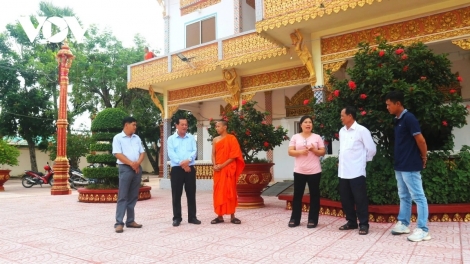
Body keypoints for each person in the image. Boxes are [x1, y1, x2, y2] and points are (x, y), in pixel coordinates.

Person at [385, 90, 431, 242]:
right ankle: (404, 223)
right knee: (403, 195)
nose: (387, 107)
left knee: (418, 196)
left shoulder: (409, 118)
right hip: (400, 164)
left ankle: (423, 229)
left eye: (389, 104)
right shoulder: (397, 120)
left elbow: (421, 140)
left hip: (410, 164)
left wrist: (424, 156)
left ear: (398, 103)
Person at [338, 106, 376, 235]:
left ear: (350, 116)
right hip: (343, 171)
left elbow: (371, 149)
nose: (341, 118)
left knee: (360, 199)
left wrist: (362, 161)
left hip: (357, 171)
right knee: (346, 199)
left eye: (342, 115)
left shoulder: (361, 130)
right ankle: (351, 222)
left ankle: (364, 224)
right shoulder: (342, 131)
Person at [287, 115, 325, 228]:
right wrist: (300, 152)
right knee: (297, 195)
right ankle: (295, 219)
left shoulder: (317, 137)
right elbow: (290, 152)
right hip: (299, 171)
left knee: (314, 195)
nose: (308, 124)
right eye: (306, 122)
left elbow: (322, 152)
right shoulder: (295, 137)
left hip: (314, 171)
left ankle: (313, 220)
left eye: (310, 122)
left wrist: (314, 150)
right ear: (301, 125)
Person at [112, 117, 145, 233]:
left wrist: (137, 164)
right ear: (126, 125)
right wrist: (131, 164)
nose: (135, 127)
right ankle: (119, 223)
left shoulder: (137, 138)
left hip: (137, 169)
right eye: (133, 125)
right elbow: (117, 154)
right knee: (123, 196)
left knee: (133, 196)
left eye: (136, 125)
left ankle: (130, 220)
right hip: (125, 168)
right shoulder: (118, 138)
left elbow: (142, 153)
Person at [167, 118, 201, 227]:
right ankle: (177, 218)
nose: (184, 126)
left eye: (186, 124)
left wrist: (188, 162)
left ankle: (192, 217)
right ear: (176, 125)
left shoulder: (191, 138)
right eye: (182, 124)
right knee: (176, 195)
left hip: (190, 169)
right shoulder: (171, 139)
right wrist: (183, 164)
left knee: (191, 194)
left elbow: (194, 151)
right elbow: (171, 154)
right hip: (177, 169)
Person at [210, 120, 245, 225]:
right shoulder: (215, 139)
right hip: (218, 170)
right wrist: (215, 165)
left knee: (230, 191)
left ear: (225, 127)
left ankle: (232, 216)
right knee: (218, 192)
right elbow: (213, 154)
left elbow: (234, 156)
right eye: (216, 126)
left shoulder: (232, 138)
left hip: (228, 169)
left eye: (218, 126)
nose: (216, 128)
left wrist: (222, 165)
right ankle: (219, 216)